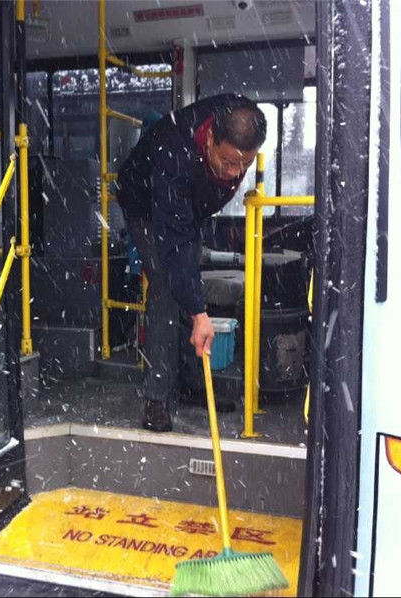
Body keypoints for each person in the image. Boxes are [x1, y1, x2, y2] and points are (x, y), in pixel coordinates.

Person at [116, 94, 267, 432]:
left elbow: (187, 232)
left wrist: (195, 306)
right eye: (228, 162)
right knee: (168, 285)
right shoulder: (174, 156)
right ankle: (156, 398)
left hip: (190, 205)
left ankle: (189, 383)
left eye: (244, 164)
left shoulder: (242, 117)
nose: (235, 172)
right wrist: (199, 314)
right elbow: (175, 241)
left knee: (189, 284)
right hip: (146, 204)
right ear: (210, 138)